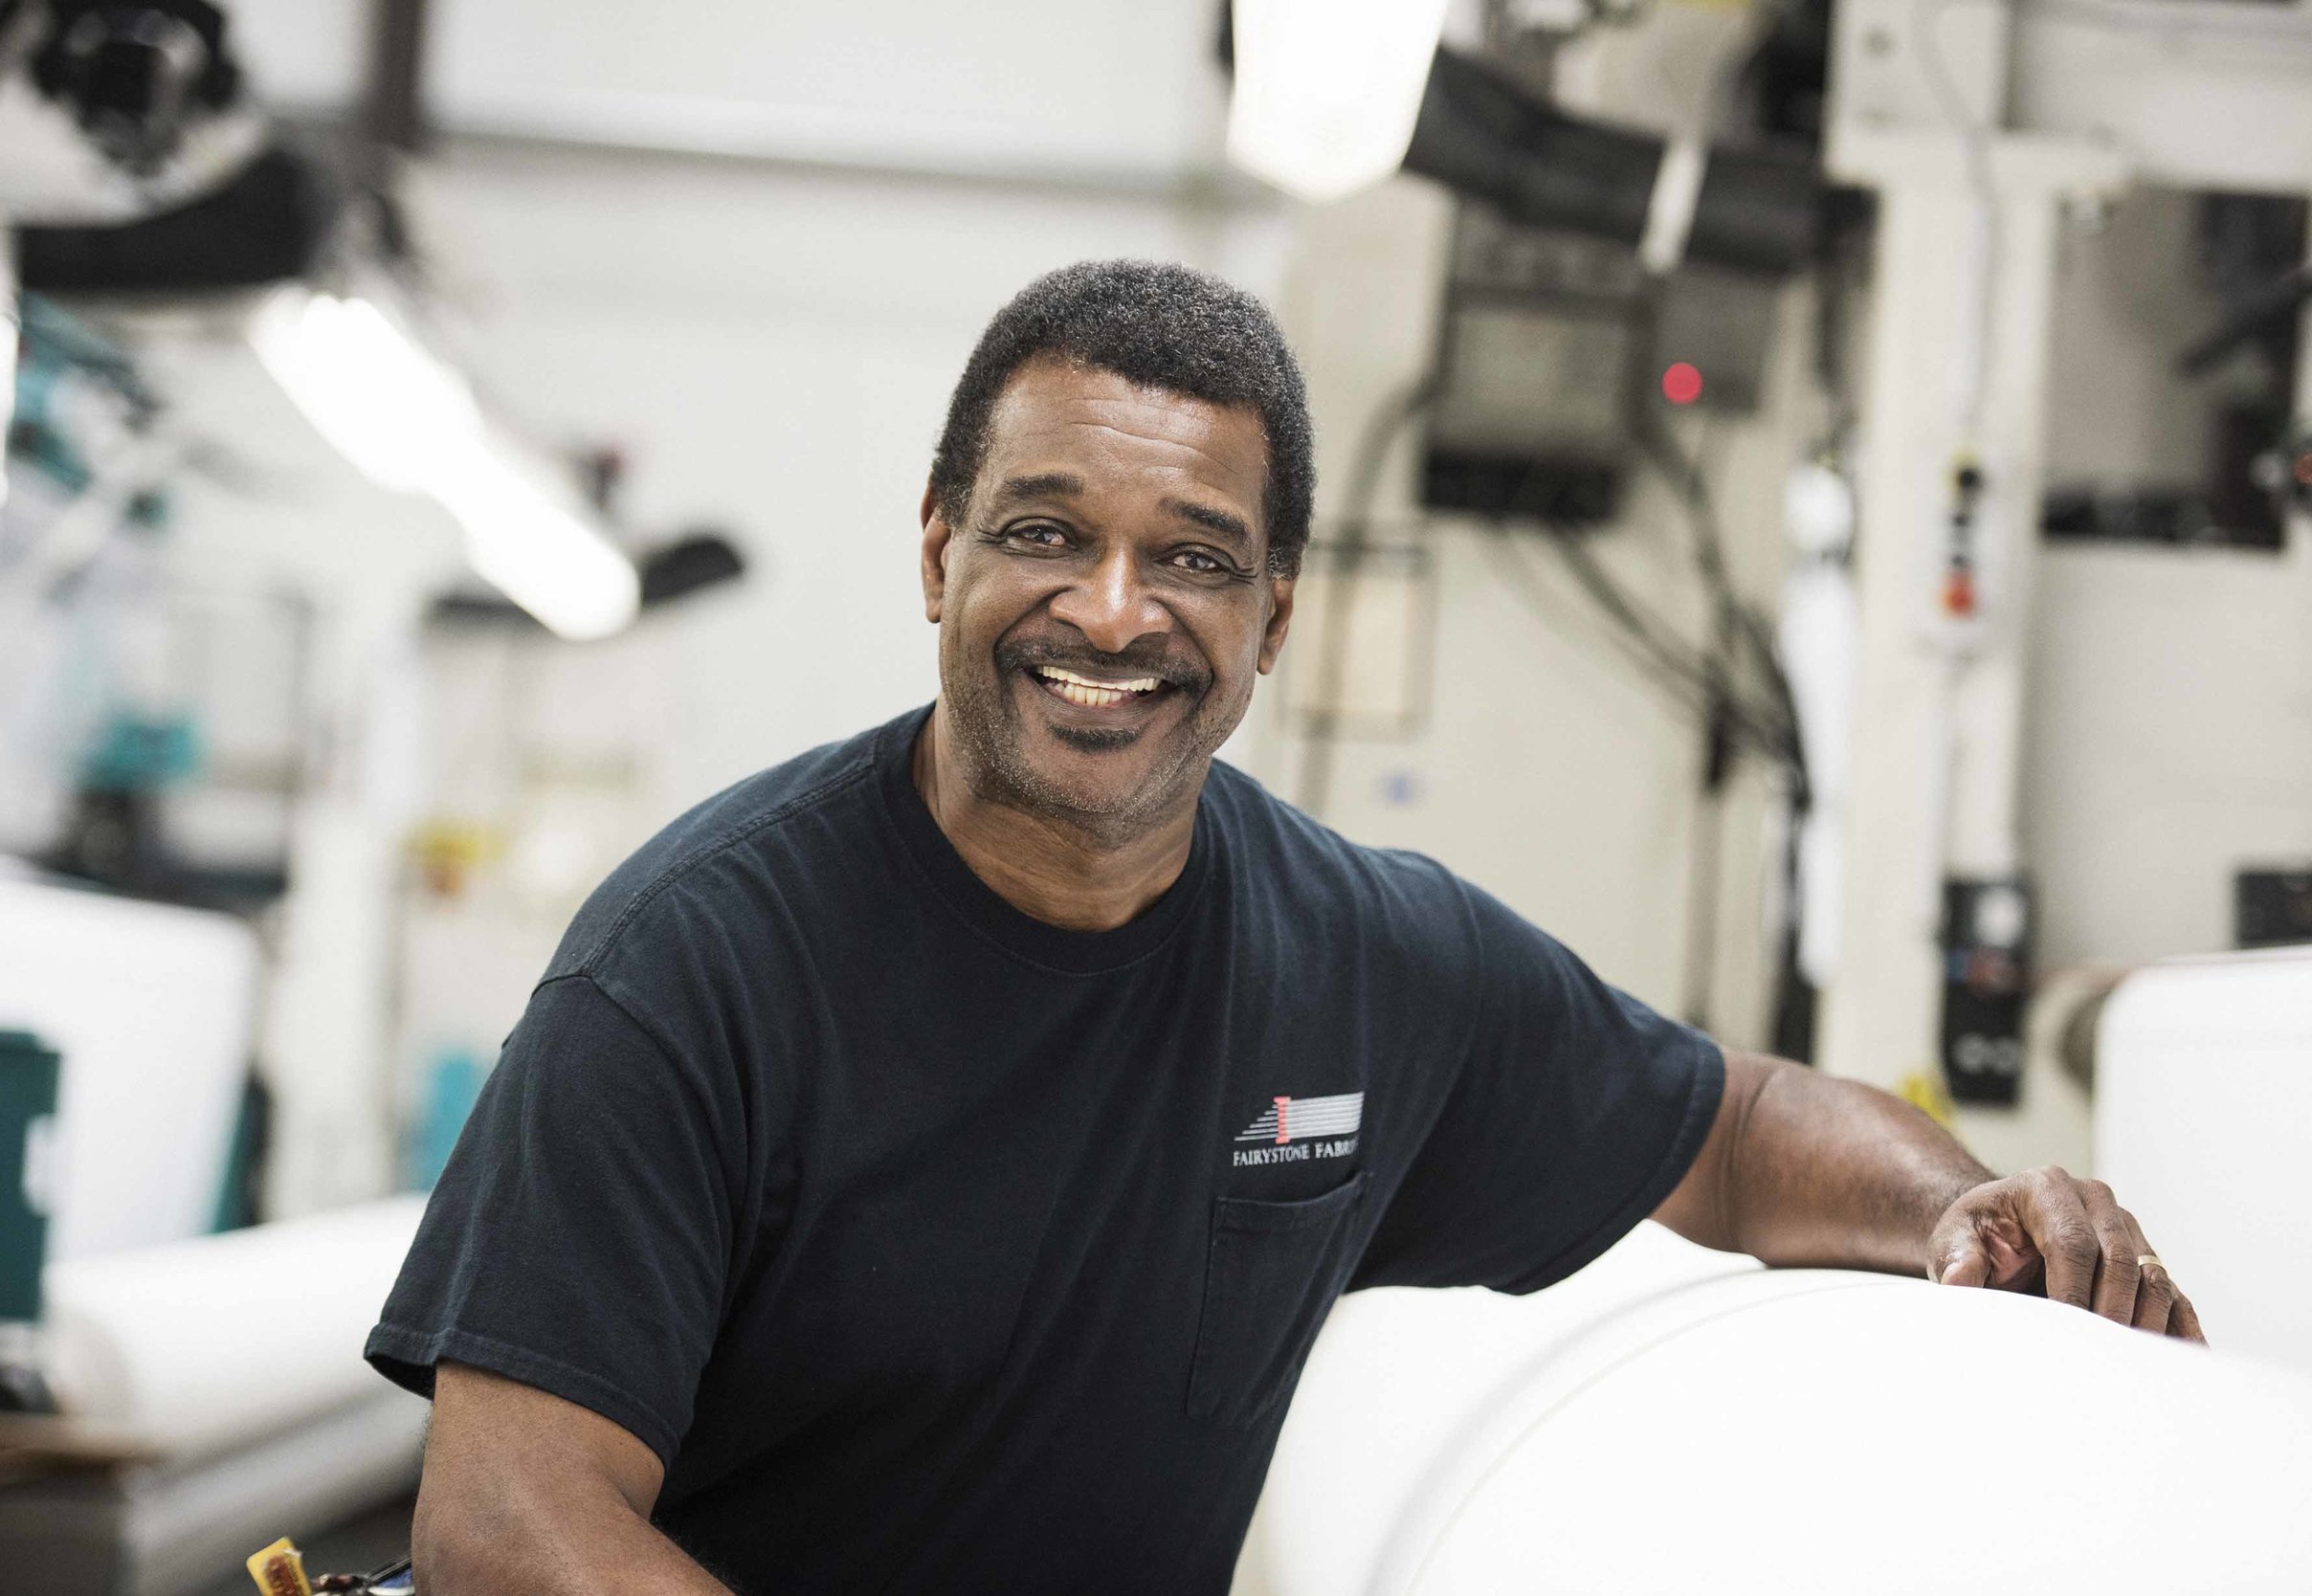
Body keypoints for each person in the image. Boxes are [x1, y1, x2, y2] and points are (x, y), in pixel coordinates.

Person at [370, 260, 2199, 1595]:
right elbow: (507, 1522)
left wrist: (1964, 1205)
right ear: (936, 553)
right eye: (1044, 532)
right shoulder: (701, 964)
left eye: (1192, 556)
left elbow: (1729, 1128)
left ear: (1274, 615)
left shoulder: (1366, 961)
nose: (1111, 611)